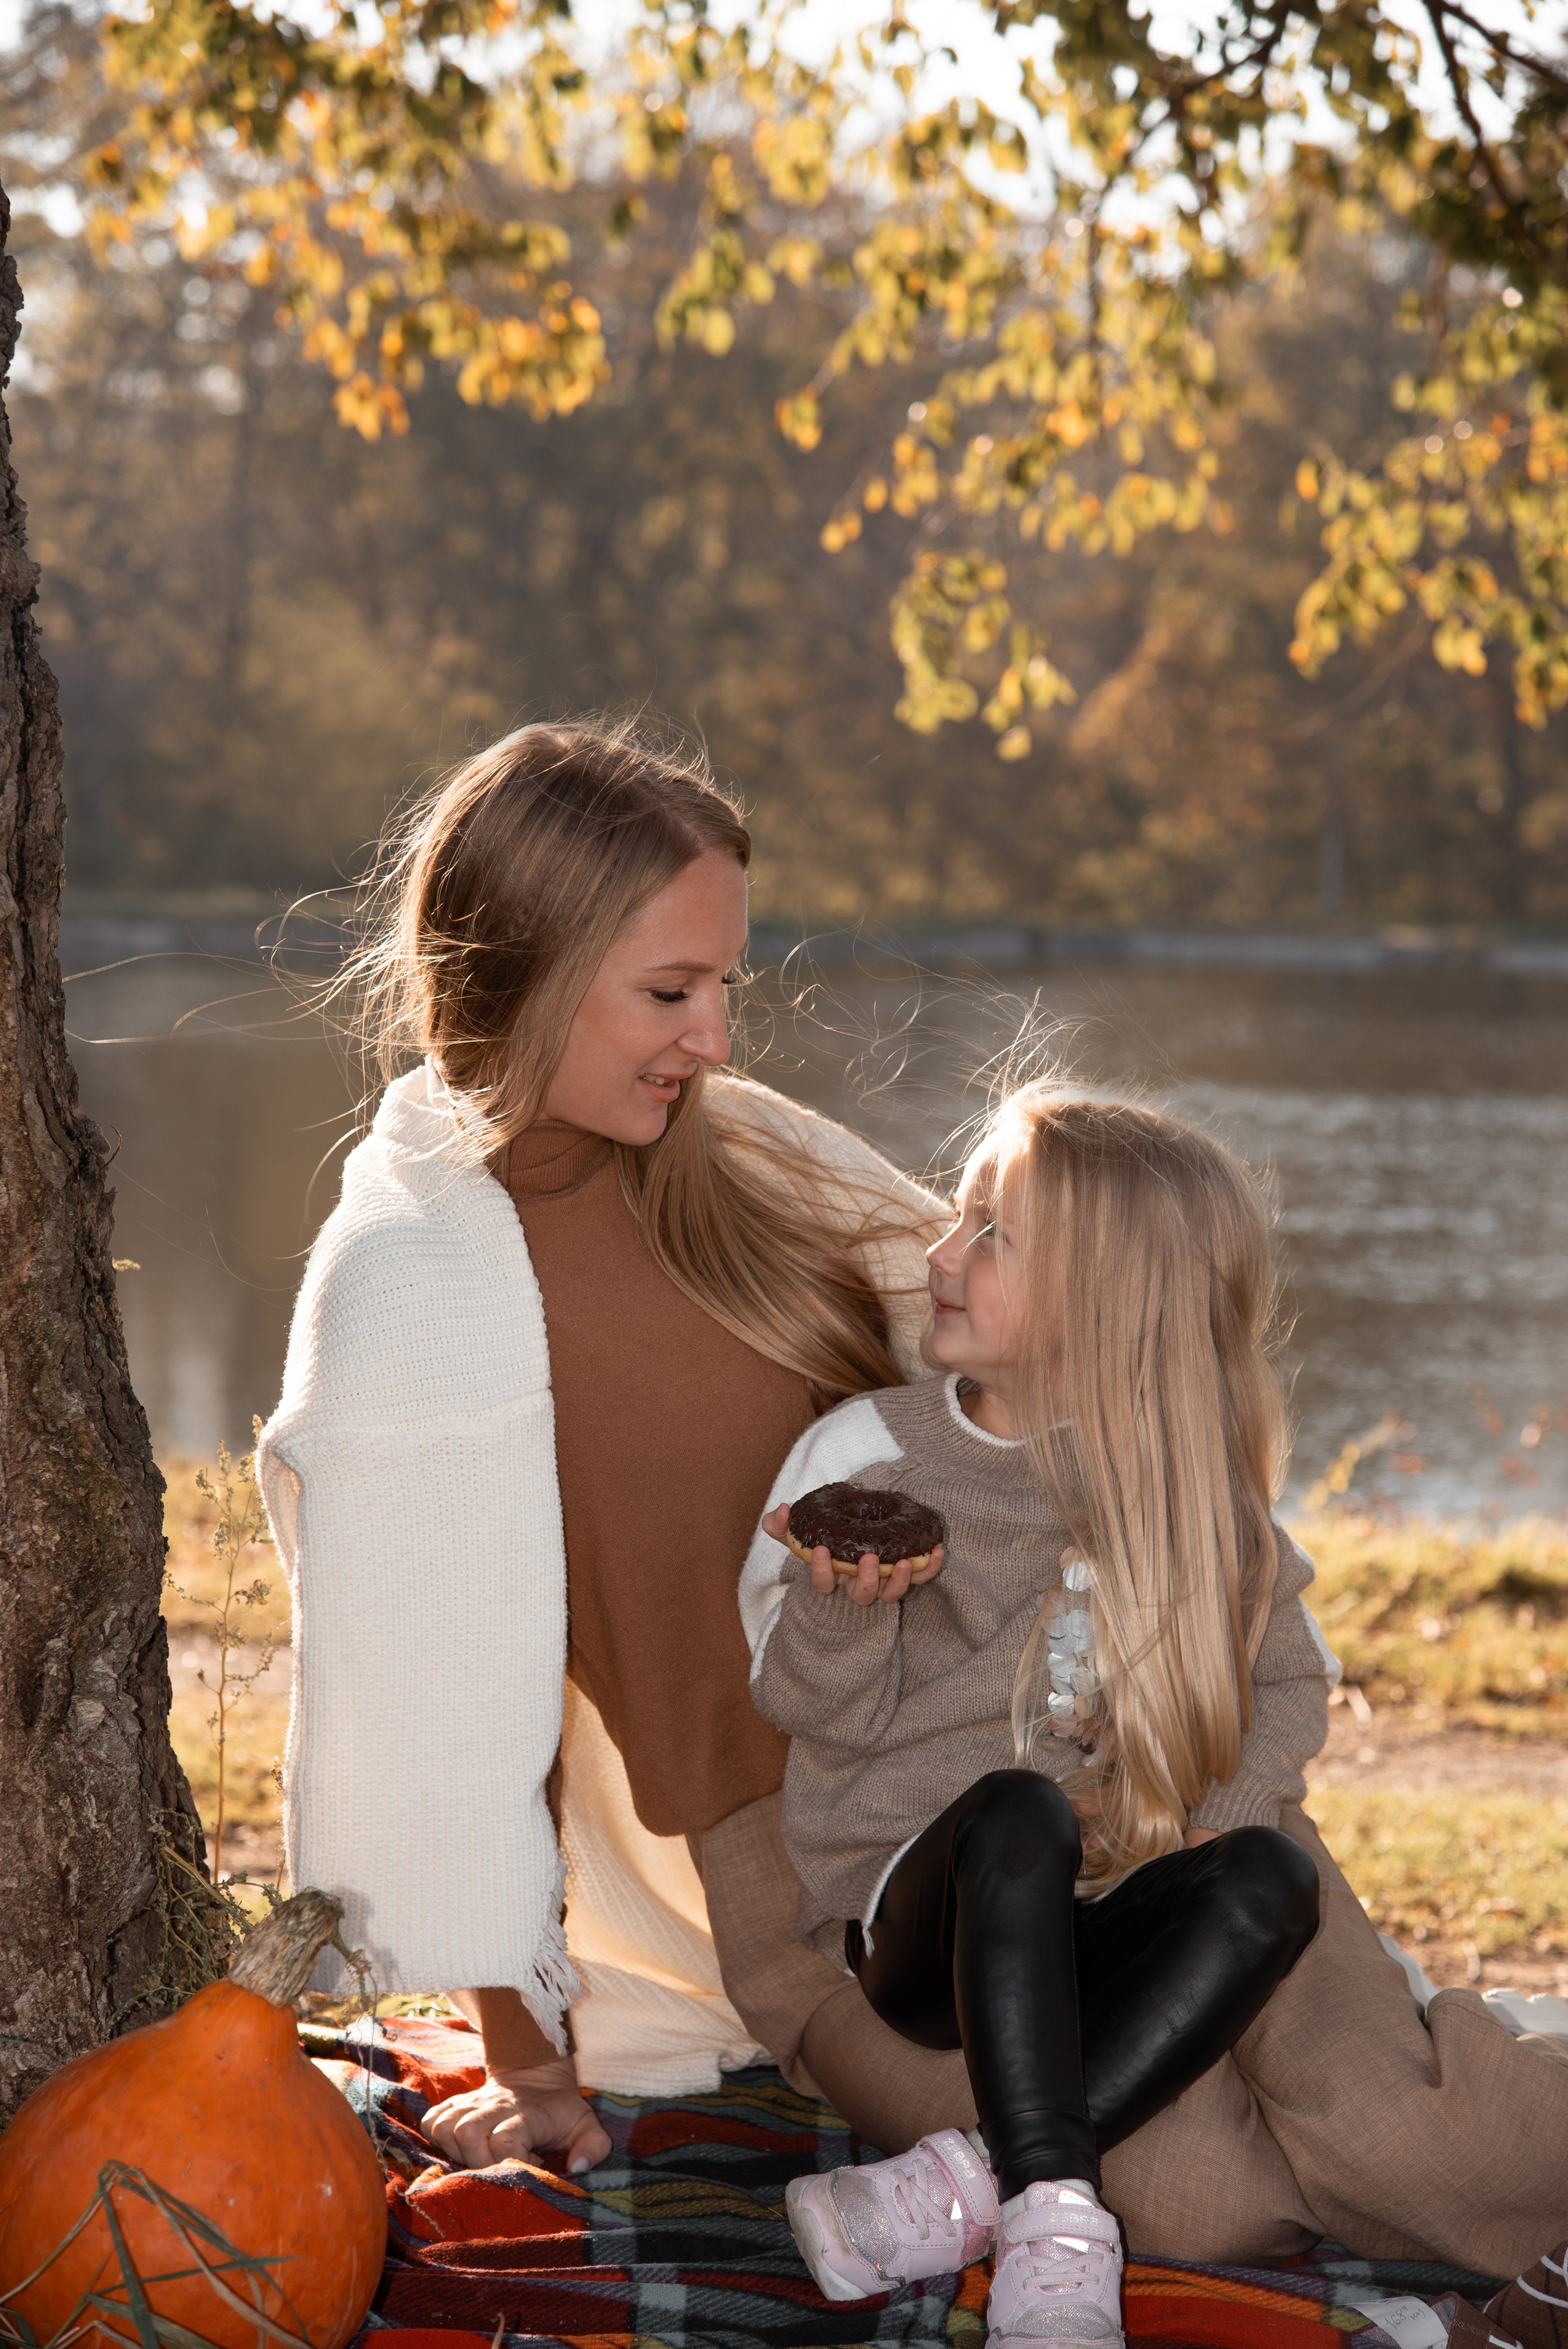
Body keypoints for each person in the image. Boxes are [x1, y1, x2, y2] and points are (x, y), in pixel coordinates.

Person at [260, 713, 1568, 2279]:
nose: (718, 1038)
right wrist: (524, 2057)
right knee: (1205, 2208)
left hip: (1065, 1775)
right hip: (827, 1868)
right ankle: (1010, 2177)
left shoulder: (727, 1156)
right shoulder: (423, 1281)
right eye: (671, 992)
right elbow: (437, 1701)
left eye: (725, 984)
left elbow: (1048, 1330)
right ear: (524, 964)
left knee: (1420, 2137)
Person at [741, 1088, 1325, 2342]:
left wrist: (1185, 1823)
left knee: (1269, 1877)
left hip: (1096, 1917)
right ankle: (1057, 2222)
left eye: (988, 1235)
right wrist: (844, 1612)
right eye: (956, 1219)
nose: (939, 1255)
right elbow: (797, 1709)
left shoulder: (1185, 1495)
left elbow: (1288, 1684)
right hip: (917, 1924)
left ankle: (963, 2187)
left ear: (1102, 1302)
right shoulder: (866, 1458)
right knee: (1013, 1812)